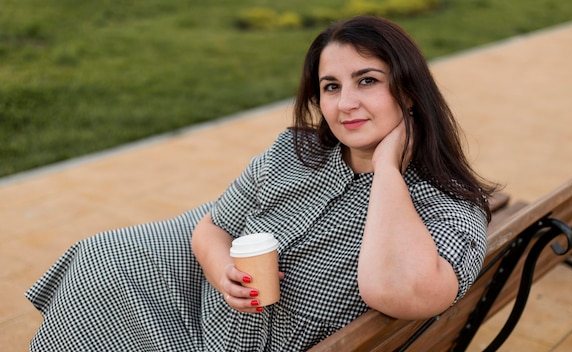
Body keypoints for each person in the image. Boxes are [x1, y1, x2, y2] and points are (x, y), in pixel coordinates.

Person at [26, 15, 498, 351]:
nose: (345, 103)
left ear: (410, 91)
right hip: (199, 304)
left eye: (367, 80)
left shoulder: (450, 208)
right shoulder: (296, 152)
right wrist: (221, 273)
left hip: (237, 342)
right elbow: (212, 228)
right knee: (99, 260)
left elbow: (394, 291)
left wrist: (389, 169)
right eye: (331, 87)